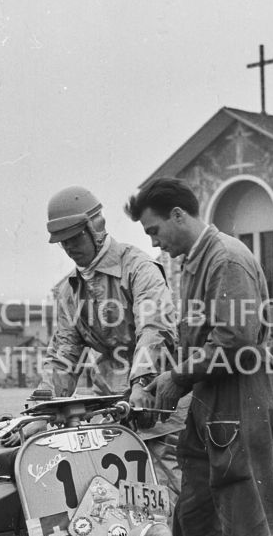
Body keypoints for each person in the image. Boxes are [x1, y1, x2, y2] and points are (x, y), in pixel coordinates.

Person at [126, 178, 273, 536]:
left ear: (179, 215)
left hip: (242, 398)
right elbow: (201, 340)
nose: (156, 244)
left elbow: (237, 345)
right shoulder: (195, 262)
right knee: (193, 514)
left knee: (248, 526)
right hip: (210, 403)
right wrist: (166, 377)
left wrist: (179, 378)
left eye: (156, 231)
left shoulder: (228, 260)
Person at [39, 186, 184, 509]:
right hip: (110, 414)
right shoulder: (69, 291)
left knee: (166, 503)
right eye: (63, 243)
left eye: (74, 239)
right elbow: (64, 353)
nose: (69, 249)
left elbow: (154, 328)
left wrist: (142, 382)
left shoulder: (139, 268)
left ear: (95, 228)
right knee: (113, 508)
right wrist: (42, 404)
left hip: (157, 406)